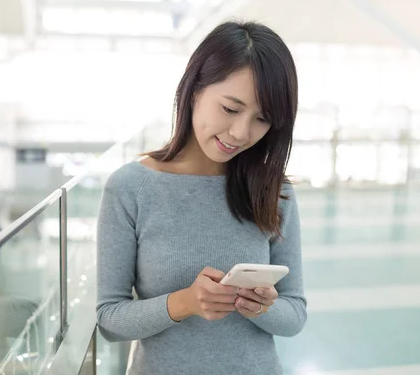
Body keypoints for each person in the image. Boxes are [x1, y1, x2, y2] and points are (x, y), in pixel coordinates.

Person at [96, 20, 306, 374]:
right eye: (230, 108)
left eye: (262, 119)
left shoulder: (275, 191)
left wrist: (263, 306)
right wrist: (184, 303)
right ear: (194, 90)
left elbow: (295, 315)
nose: (241, 133)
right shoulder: (130, 188)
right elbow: (109, 320)